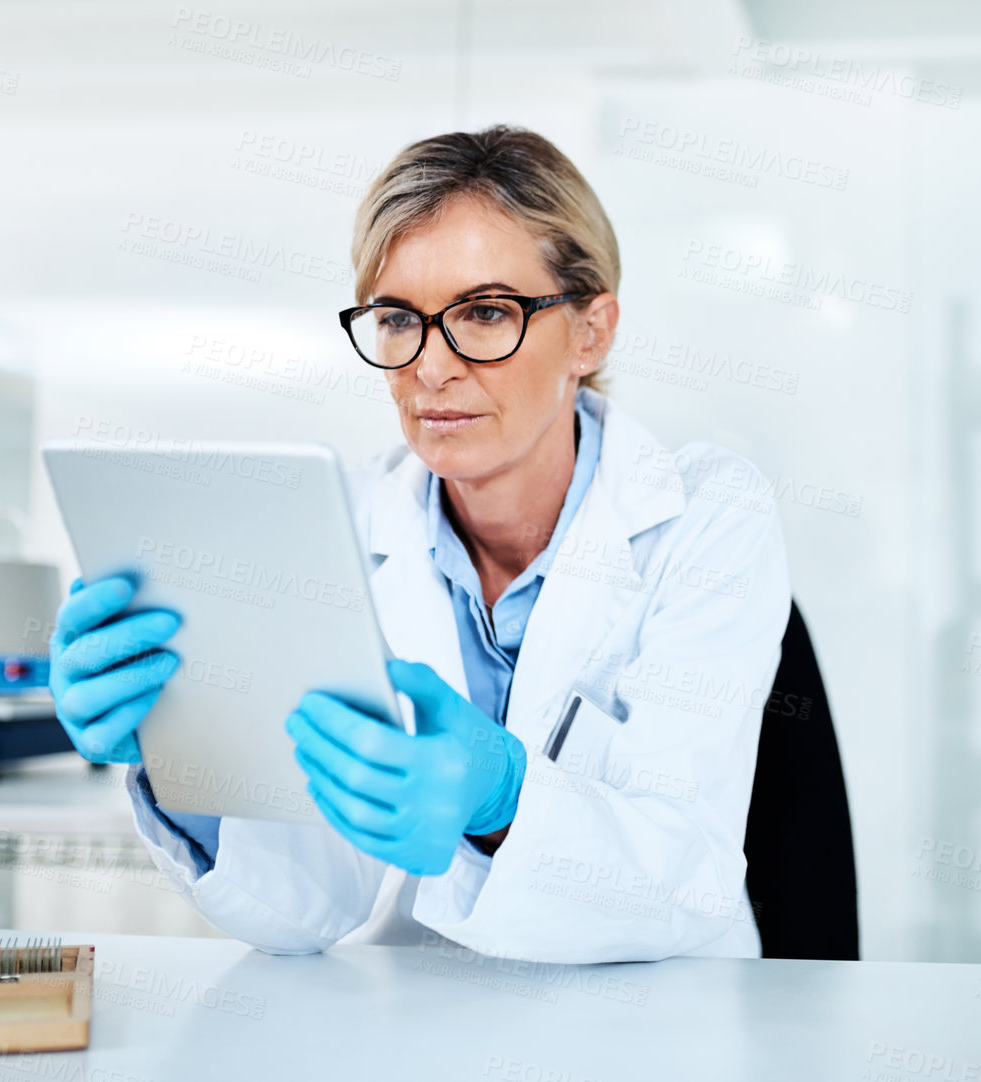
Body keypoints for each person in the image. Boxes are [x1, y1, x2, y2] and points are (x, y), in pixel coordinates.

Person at [48, 126, 790, 964]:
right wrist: (187, 762)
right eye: (399, 319)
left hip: (659, 1019)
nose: (431, 368)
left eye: (484, 313)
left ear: (591, 331)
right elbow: (313, 901)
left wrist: (503, 800)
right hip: (425, 1016)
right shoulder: (346, 525)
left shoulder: (704, 517)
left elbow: (683, 879)